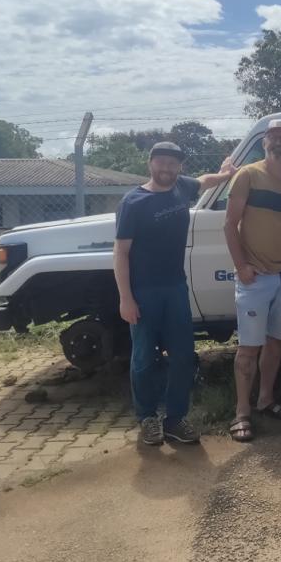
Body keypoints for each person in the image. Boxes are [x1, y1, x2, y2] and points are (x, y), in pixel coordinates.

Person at [114, 142, 236, 446]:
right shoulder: (133, 202)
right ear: (150, 163)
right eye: (161, 162)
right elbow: (121, 253)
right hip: (144, 292)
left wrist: (223, 175)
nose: (167, 169)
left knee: (182, 355)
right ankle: (147, 418)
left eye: (173, 164)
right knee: (143, 359)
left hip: (175, 288)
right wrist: (125, 298)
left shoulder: (181, 187)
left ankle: (175, 419)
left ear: (179, 167)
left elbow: (203, 181)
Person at [223, 119, 281, 442]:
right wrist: (242, 266)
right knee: (248, 347)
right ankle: (241, 412)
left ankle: (266, 399)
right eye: (274, 137)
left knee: (275, 342)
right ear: (264, 142)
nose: (279, 142)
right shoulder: (247, 175)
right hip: (255, 277)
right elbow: (229, 225)